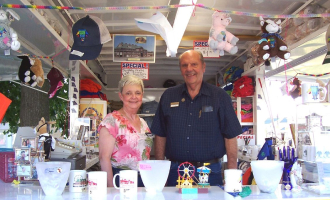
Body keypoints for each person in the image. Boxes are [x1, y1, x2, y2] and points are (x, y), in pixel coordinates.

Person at [151, 50, 242, 186]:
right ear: (180, 69)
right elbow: (160, 135)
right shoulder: (168, 96)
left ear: (203, 67)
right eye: (184, 65)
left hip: (209, 172)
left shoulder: (219, 96)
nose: (189, 69)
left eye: (194, 64)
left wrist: (232, 177)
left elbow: (230, 136)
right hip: (175, 172)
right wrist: (159, 173)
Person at [98, 75, 153, 187]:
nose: (134, 97)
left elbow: (145, 154)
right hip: (121, 179)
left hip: (144, 178)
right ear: (121, 96)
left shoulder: (143, 122)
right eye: (128, 93)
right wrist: (110, 188)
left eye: (137, 93)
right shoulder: (111, 120)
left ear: (142, 95)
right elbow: (104, 158)